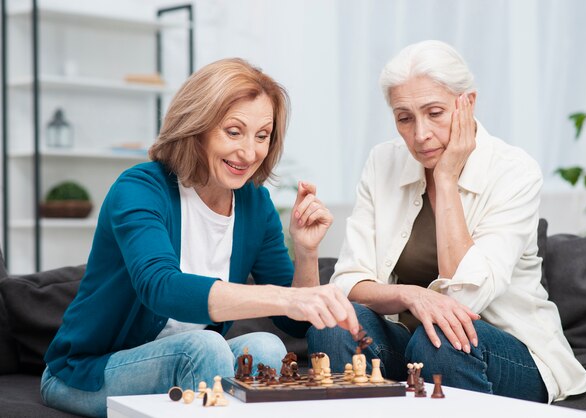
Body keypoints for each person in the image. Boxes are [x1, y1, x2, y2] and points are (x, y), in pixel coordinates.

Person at [41, 58, 358, 417]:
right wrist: (283, 298)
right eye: (233, 131)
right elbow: (159, 286)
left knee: (267, 348)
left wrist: (305, 250)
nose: (249, 152)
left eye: (262, 136)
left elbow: (295, 324)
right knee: (205, 348)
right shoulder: (140, 188)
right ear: (198, 127)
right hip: (87, 371)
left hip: (186, 364)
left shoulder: (254, 204)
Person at [307, 40, 586, 403]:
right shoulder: (383, 162)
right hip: (410, 347)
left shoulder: (514, 171)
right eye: (404, 118)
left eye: (435, 112)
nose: (420, 134)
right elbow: (348, 282)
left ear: (466, 104)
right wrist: (413, 295)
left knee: (441, 338)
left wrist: (446, 178)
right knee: (334, 323)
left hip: (503, 351)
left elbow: (464, 295)